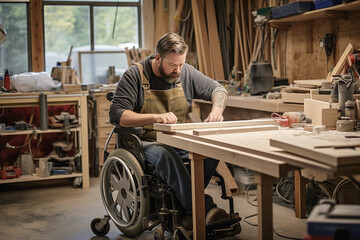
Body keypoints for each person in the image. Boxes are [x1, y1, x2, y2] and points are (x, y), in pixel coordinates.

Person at [109, 32, 229, 228]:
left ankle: (184, 207)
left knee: (210, 150)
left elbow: (219, 89)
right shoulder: (135, 76)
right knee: (166, 154)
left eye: (181, 64)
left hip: (175, 138)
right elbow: (116, 114)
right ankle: (203, 209)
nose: (177, 70)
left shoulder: (186, 72)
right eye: (173, 65)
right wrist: (154, 117)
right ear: (158, 58)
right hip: (143, 142)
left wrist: (217, 109)